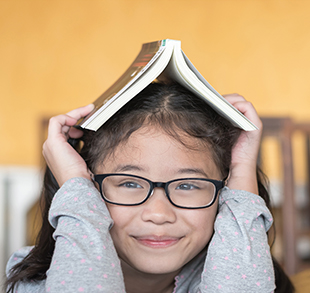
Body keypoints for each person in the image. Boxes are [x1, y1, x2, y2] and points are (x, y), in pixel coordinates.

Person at [5, 82, 294, 292]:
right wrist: (74, 185)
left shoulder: (243, 275)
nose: (158, 214)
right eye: (129, 183)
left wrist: (243, 170)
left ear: (225, 193)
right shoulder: (36, 285)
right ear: (87, 192)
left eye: (188, 185)